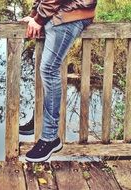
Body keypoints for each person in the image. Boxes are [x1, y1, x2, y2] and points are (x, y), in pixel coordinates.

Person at [22, 0, 97, 162]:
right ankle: (39, 120)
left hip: (70, 15)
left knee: (49, 69)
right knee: (46, 69)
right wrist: (34, 15)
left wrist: (38, 19)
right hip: (61, 14)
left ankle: (50, 138)